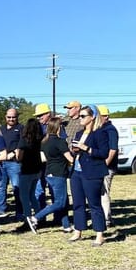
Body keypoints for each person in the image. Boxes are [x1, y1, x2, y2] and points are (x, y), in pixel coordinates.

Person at [69, 105, 109, 246]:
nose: (80, 118)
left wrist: (87, 148)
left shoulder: (100, 133)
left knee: (94, 204)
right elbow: (77, 150)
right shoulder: (79, 133)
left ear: (92, 117)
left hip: (92, 172)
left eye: (83, 116)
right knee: (78, 203)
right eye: (79, 116)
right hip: (77, 171)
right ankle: (78, 230)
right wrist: (75, 150)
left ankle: (99, 234)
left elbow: (104, 153)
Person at [27, 118, 73, 233]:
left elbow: (44, 158)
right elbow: (70, 159)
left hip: (49, 173)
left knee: (61, 200)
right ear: (58, 128)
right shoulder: (60, 141)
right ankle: (35, 218)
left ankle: (66, 225)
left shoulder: (44, 141)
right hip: (59, 174)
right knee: (60, 202)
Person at [0, 108, 24, 220]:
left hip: (14, 163)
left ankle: (20, 211)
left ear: (17, 117)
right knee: (1, 187)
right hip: (1, 162)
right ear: (5, 117)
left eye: (13, 117)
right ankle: (1, 209)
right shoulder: (1, 129)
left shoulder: (21, 128)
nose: (11, 119)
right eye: (9, 117)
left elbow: (23, 144)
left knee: (16, 187)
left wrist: (14, 153)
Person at [16, 118, 43, 222]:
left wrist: (17, 157)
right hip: (37, 169)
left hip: (26, 169)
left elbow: (20, 156)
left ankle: (28, 218)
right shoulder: (40, 139)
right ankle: (39, 216)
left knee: (24, 196)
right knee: (32, 194)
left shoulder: (25, 139)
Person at [98, 105, 119, 228]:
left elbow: (113, 150)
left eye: (99, 116)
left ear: (106, 116)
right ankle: (106, 217)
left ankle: (107, 218)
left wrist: (105, 164)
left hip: (107, 166)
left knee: (104, 192)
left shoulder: (110, 130)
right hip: (102, 165)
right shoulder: (101, 129)